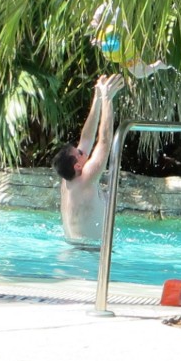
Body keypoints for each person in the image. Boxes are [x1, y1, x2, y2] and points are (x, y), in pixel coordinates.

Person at [52, 73, 125, 246]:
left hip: (72, 251)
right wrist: (108, 99)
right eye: (79, 152)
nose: (83, 150)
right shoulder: (87, 178)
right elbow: (105, 141)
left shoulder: (68, 180)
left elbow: (86, 138)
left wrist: (97, 98)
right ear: (78, 165)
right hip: (90, 255)